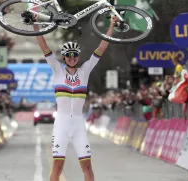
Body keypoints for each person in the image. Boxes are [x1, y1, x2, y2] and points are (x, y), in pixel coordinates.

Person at [34, 16, 118, 181]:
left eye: (74, 56)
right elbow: (44, 46)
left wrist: (111, 26)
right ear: (64, 58)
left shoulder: (85, 70)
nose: (72, 58)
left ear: (78, 57)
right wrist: (36, 26)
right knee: (57, 166)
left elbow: (101, 48)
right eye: (68, 56)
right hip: (61, 124)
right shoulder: (57, 70)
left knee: (87, 167)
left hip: (79, 124)